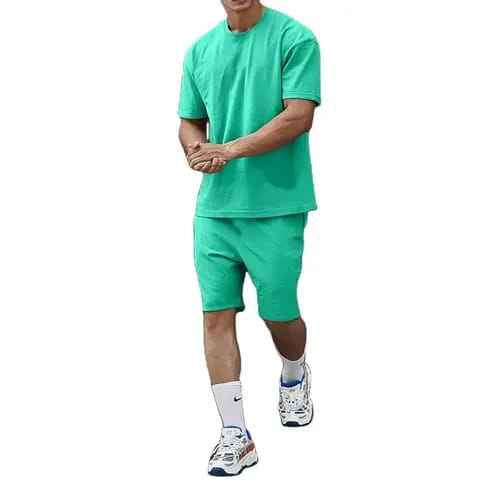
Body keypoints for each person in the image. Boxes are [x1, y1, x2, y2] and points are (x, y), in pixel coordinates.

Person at [178, 0, 320, 476]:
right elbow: (190, 120)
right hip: (215, 210)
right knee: (215, 316)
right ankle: (235, 435)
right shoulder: (200, 51)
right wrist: (196, 149)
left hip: (276, 206)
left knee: (278, 313)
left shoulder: (295, 38)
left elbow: (298, 116)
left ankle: (294, 372)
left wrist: (230, 150)